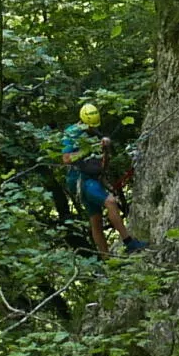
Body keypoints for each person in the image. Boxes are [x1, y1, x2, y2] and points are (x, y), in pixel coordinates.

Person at [61, 102, 144, 256]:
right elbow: (65, 158)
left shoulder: (94, 133)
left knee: (96, 220)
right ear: (83, 121)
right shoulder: (71, 134)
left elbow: (103, 165)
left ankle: (106, 260)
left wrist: (105, 150)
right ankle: (129, 243)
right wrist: (86, 150)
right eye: (90, 126)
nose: (92, 129)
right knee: (110, 201)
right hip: (80, 179)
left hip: (92, 178)